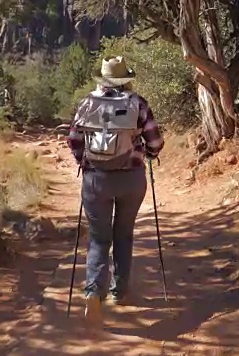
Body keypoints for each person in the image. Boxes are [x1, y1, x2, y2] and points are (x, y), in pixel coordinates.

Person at [67, 56, 164, 327]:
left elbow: (74, 139)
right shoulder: (137, 103)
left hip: (96, 180)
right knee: (123, 233)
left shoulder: (87, 103)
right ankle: (119, 292)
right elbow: (155, 141)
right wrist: (147, 152)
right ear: (126, 78)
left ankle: (92, 293)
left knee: (98, 238)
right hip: (131, 180)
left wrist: (85, 161)